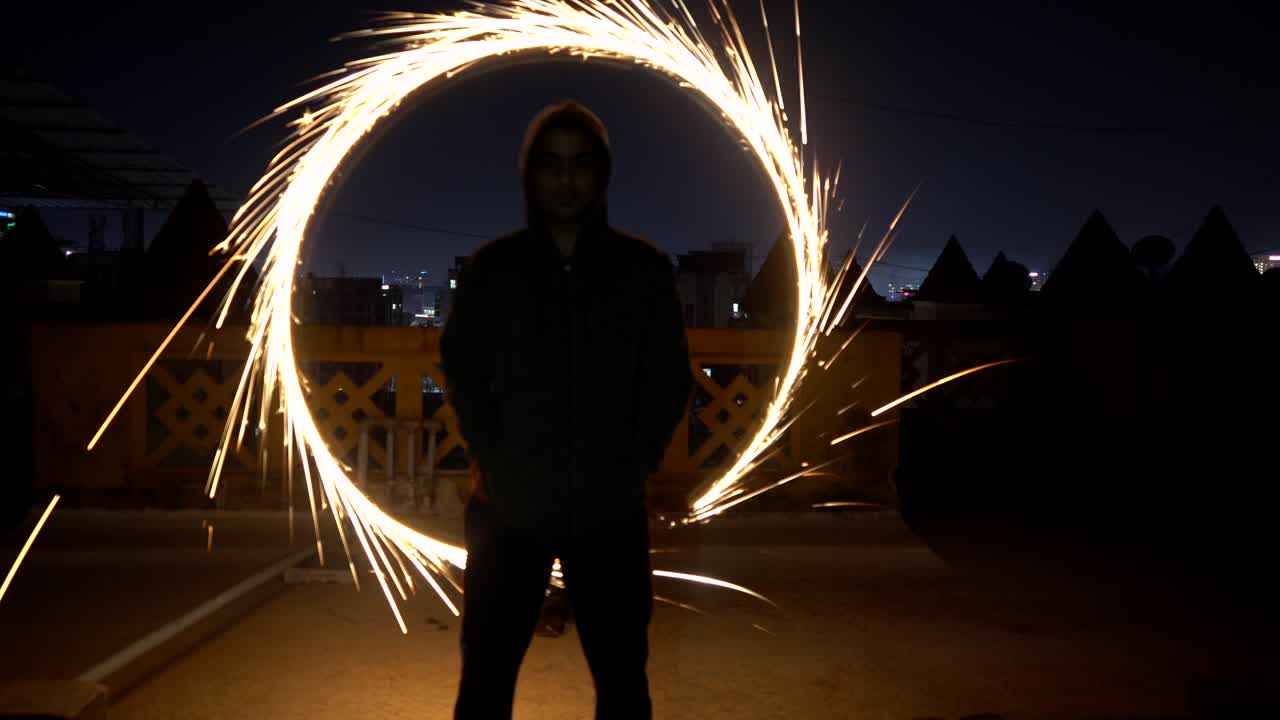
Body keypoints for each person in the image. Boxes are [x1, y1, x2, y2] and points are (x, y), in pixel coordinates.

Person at [440, 99, 695, 719]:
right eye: (551, 164)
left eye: (580, 164)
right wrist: (490, 456)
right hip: (509, 511)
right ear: (530, 173)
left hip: (609, 512)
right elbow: (463, 367)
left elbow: (668, 378)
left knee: (622, 680)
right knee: (486, 679)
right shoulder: (494, 269)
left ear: (602, 174)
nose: (565, 179)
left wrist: (633, 464)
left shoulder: (641, 270)